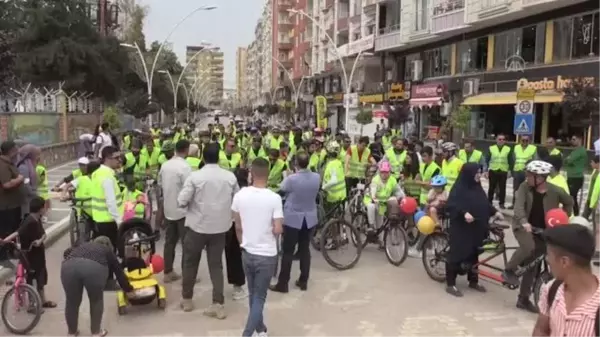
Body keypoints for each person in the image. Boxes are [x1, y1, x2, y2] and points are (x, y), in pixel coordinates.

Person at [503, 160, 574, 313]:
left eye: (530, 175)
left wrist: (562, 217)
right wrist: (523, 221)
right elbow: (518, 207)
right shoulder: (524, 187)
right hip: (523, 227)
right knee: (529, 247)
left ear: (540, 178)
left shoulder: (555, 190)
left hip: (543, 230)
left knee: (533, 265)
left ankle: (523, 298)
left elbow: (570, 202)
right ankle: (509, 269)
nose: (527, 177)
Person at [177, 142, 239, 316]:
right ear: (219, 157)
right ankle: (218, 304)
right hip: (220, 228)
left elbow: (181, 201)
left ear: (202, 157)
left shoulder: (195, 177)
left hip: (197, 227)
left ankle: (187, 300)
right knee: (216, 265)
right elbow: (237, 199)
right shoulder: (229, 177)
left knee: (190, 263)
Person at [232, 158, 283, 337]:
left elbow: (237, 226)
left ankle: (260, 329)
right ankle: (247, 334)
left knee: (253, 294)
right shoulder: (274, 198)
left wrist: (242, 243)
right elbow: (278, 229)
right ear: (268, 175)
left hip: (247, 252)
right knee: (259, 297)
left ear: (251, 174)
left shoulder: (240, 196)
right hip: (267, 255)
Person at [445, 163, 502, 297]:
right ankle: (450, 283)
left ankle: (473, 280)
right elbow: (452, 205)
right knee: (456, 254)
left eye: (479, 172)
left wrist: (495, 212)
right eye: (476, 173)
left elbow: (484, 203)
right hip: (461, 228)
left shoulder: (477, 187)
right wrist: (464, 213)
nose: (479, 175)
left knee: (474, 253)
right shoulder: (459, 188)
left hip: (477, 227)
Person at [534, 223, 599, 337]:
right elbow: (541, 330)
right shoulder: (551, 290)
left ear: (564, 262)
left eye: (549, 255)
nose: (547, 259)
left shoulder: (596, 308)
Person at [61, 236, 134, 337]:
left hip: (68, 266)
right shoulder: (107, 250)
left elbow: (66, 253)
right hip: (94, 268)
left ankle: (71, 332)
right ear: (108, 245)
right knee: (96, 300)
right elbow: (119, 272)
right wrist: (128, 289)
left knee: (71, 302)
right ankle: (96, 332)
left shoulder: (82, 245)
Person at [271, 152, 320, 293]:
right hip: (309, 218)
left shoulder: (292, 179)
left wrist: (288, 175)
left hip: (293, 218)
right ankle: (303, 280)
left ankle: (283, 283)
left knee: (288, 252)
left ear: (296, 164)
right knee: (305, 250)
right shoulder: (316, 177)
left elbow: (282, 189)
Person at [2, 196, 56, 308]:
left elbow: (44, 235)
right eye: (44, 207)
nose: (46, 209)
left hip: (39, 254)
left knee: (41, 278)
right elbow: (18, 232)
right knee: (31, 278)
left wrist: (39, 241)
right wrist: (6, 240)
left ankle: (43, 301)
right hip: (30, 255)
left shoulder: (38, 218)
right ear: (41, 208)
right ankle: (32, 305)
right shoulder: (29, 221)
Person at [158, 139, 192, 283]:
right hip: (182, 211)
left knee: (169, 242)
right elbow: (190, 189)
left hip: (168, 210)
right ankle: (187, 275)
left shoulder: (165, 166)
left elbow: (160, 184)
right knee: (187, 244)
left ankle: (168, 272)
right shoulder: (185, 167)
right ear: (186, 150)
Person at [90, 146, 123, 290]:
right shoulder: (107, 177)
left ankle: (100, 279)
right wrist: (120, 221)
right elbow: (111, 202)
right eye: (117, 158)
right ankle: (109, 281)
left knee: (101, 252)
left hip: (99, 219)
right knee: (110, 253)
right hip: (109, 221)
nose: (120, 160)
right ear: (108, 158)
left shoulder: (97, 173)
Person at [364, 161, 403, 234]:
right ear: (379, 172)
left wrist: (403, 198)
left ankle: (380, 241)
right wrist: (374, 198)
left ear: (389, 172)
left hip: (382, 203)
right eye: (382, 172)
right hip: (371, 200)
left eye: (386, 172)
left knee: (380, 226)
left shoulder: (392, 180)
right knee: (371, 206)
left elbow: (398, 191)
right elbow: (373, 192)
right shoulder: (375, 180)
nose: (384, 174)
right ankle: (371, 226)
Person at [485, 134, 512, 209]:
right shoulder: (491, 148)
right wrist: (486, 170)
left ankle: (502, 203)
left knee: (502, 188)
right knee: (491, 188)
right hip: (493, 170)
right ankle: (489, 202)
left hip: (503, 171)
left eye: (503, 139)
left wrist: (510, 170)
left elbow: (510, 160)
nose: (501, 141)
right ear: (496, 140)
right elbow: (487, 159)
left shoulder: (508, 149)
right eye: (500, 139)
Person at [511, 135, 537, 209]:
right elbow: (513, 158)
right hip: (517, 171)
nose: (524, 142)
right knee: (516, 189)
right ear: (520, 141)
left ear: (529, 141)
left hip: (527, 172)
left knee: (527, 189)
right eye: (523, 140)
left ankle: (526, 205)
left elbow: (535, 159)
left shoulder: (533, 148)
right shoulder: (516, 147)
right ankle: (514, 204)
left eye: (526, 140)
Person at [564, 135, 588, 215]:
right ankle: (571, 213)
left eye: (574, 139)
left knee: (572, 197)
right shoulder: (575, 151)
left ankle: (575, 214)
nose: (572, 141)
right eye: (572, 139)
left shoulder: (581, 150)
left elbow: (569, 161)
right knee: (570, 196)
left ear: (579, 140)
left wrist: (568, 159)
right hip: (571, 176)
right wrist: (568, 160)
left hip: (576, 177)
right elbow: (565, 161)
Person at [16, 144, 41, 218]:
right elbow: (25, 184)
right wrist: (33, 193)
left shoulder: (31, 165)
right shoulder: (23, 167)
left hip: (32, 197)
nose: (37, 156)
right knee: (27, 217)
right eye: (35, 154)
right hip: (26, 199)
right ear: (30, 155)